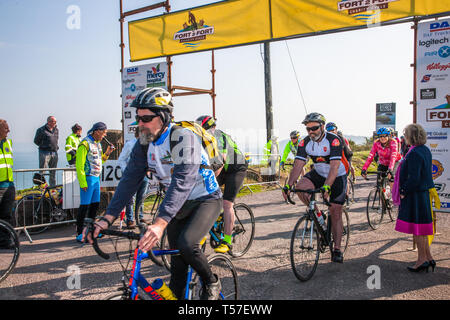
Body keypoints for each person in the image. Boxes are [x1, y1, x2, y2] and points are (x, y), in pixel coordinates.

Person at [83, 87, 224, 300]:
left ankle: (211, 281)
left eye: (146, 118)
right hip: (180, 203)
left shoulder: (182, 137)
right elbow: (130, 180)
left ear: (163, 116)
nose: (140, 124)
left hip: (205, 199)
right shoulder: (144, 142)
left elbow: (182, 181)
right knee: (177, 267)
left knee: (188, 245)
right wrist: (106, 219)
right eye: (138, 118)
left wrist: (159, 224)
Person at [285, 112, 349, 263]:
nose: (311, 131)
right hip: (319, 172)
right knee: (301, 187)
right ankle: (319, 215)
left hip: (337, 175)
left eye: (314, 128)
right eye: (308, 129)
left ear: (322, 126)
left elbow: (334, 168)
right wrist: (288, 185)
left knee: (335, 210)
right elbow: (298, 166)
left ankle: (337, 249)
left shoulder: (333, 140)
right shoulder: (305, 142)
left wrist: (327, 187)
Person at [196, 115, 248, 253]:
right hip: (224, 169)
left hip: (236, 168)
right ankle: (214, 219)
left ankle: (227, 241)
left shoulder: (217, 136)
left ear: (211, 128)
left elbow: (220, 162)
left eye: (203, 130)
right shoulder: (201, 140)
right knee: (203, 195)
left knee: (227, 204)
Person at [394, 124, 436, 272]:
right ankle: (428, 257)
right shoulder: (424, 150)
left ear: (411, 136)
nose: (404, 137)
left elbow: (414, 177)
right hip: (422, 193)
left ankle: (421, 260)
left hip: (415, 194)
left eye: (406, 135)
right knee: (423, 229)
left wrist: (403, 190)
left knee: (418, 229)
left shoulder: (414, 153)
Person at [75, 122, 114, 242]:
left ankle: (90, 231)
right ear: (97, 131)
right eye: (104, 133)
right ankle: (79, 232)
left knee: (94, 206)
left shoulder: (97, 144)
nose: (104, 136)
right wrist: (83, 182)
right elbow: (79, 165)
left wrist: (107, 153)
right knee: (84, 206)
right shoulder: (85, 144)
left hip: (96, 178)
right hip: (87, 178)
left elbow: (99, 161)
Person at [117, 127, 150, 228]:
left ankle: (139, 217)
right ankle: (130, 219)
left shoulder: (147, 144)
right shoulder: (130, 144)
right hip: (132, 175)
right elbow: (121, 159)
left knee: (141, 197)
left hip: (144, 175)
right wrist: (127, 171)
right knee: (131, 198)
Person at [34, 116, 59, 186]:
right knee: (43, 171)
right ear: (49, 122)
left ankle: (52, 187)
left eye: (56, 122)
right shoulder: (41, 130)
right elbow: (36, 141)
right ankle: (42, 187)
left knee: (53, 172)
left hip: (54, 152)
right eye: (54, 122)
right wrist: (44, 146)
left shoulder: (56, 130)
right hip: (44, 152)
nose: (55, 123)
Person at [0, 119, 15, 226]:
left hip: (9, 184)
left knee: (7, 216)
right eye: (5, 128)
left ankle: (6, 241)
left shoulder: (8, 143)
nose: (8, 130)